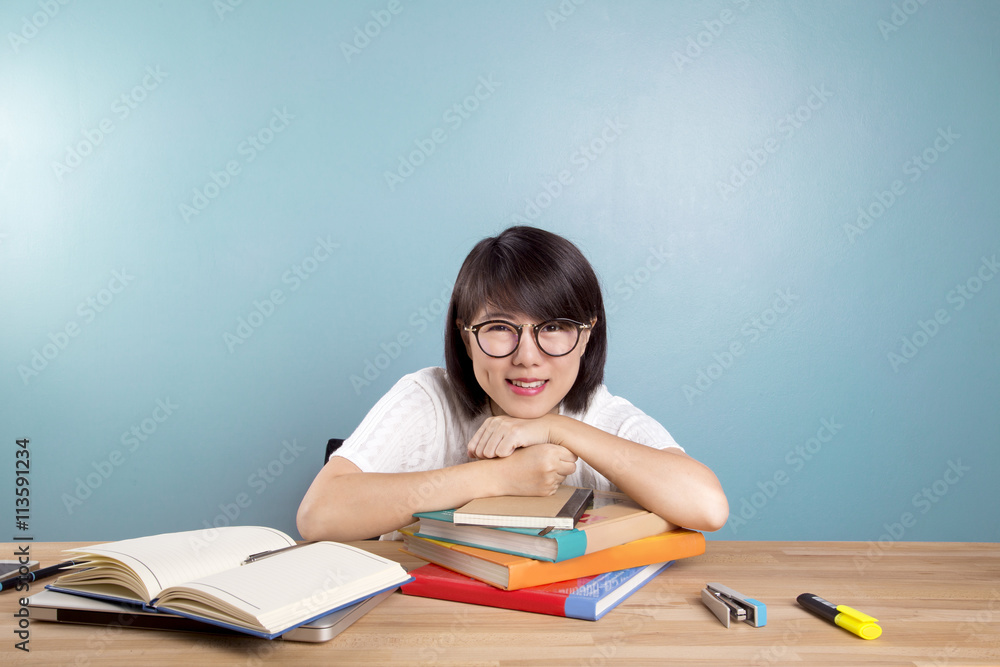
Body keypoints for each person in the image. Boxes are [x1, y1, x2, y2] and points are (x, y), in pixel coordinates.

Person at [297, 226, 728, 541]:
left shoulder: (601, 416)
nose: (527, 356)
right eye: (501, 327)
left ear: (586, 336)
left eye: (554, 326)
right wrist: (497, 477)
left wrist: (559, 429)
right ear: (466, 336)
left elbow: (707, 507)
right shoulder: (429, 399)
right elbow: (318, 515)